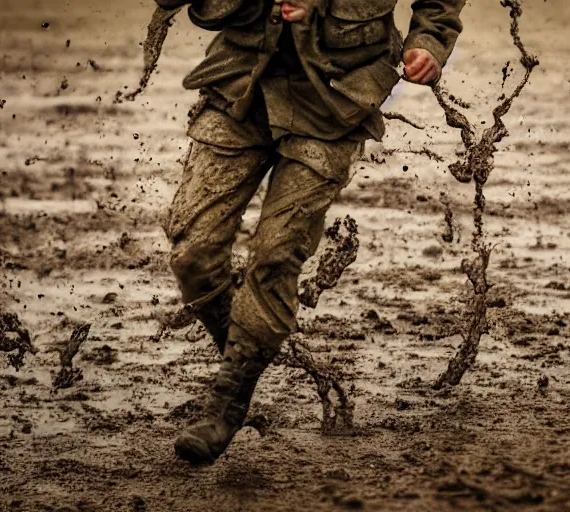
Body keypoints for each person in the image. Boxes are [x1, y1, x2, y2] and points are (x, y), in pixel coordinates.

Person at [156, 0, 464, 464]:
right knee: (192, 254)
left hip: (337, 95)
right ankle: (245, 353)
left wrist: (428, 41)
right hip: (242, 79)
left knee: (276, 255)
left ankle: (229, 398)